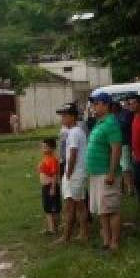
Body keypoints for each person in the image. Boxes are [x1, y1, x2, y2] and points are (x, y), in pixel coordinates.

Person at [86, 91, 123, 252]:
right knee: (102, 210)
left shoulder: (111, 123)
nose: (94, 106)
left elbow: (116, 150)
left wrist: (111, 173)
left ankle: (114, 242)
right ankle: (106, 241)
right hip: (96, 173)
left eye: (97, 103)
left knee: (111, 209)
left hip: (106, 173)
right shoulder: (99, 123)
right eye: (93, 103)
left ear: (106, 105)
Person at [55, 103, 90, 244]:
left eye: (64, 116)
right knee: (79, 204)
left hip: (75, 173)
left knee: (71, 205)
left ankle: (66, 236)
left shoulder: (75, 132)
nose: (62, 119)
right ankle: (83, 233)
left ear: (72, 117)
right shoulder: (75, 131)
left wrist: (68, 173)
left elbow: (73, 154)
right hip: (76, 172)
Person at [38, 138, 61, 234]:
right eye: (42, 147)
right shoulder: (45, 159)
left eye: (45, 147)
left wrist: (53, 187)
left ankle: (53, 228)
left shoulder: (52, 160)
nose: (43, 149)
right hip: (45, 186)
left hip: (50, 186)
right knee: (47, 208)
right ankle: (51, 227)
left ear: (52, 148)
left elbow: (55, 175)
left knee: (52, 208)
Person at [113, 100, 135, 198]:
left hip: (125, 143)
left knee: (126, 167)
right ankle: (120, 188)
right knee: (117, 166)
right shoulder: (111, 116)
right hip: (114, 144)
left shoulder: (126, 114)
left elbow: (126, 126)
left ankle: (130, 187)